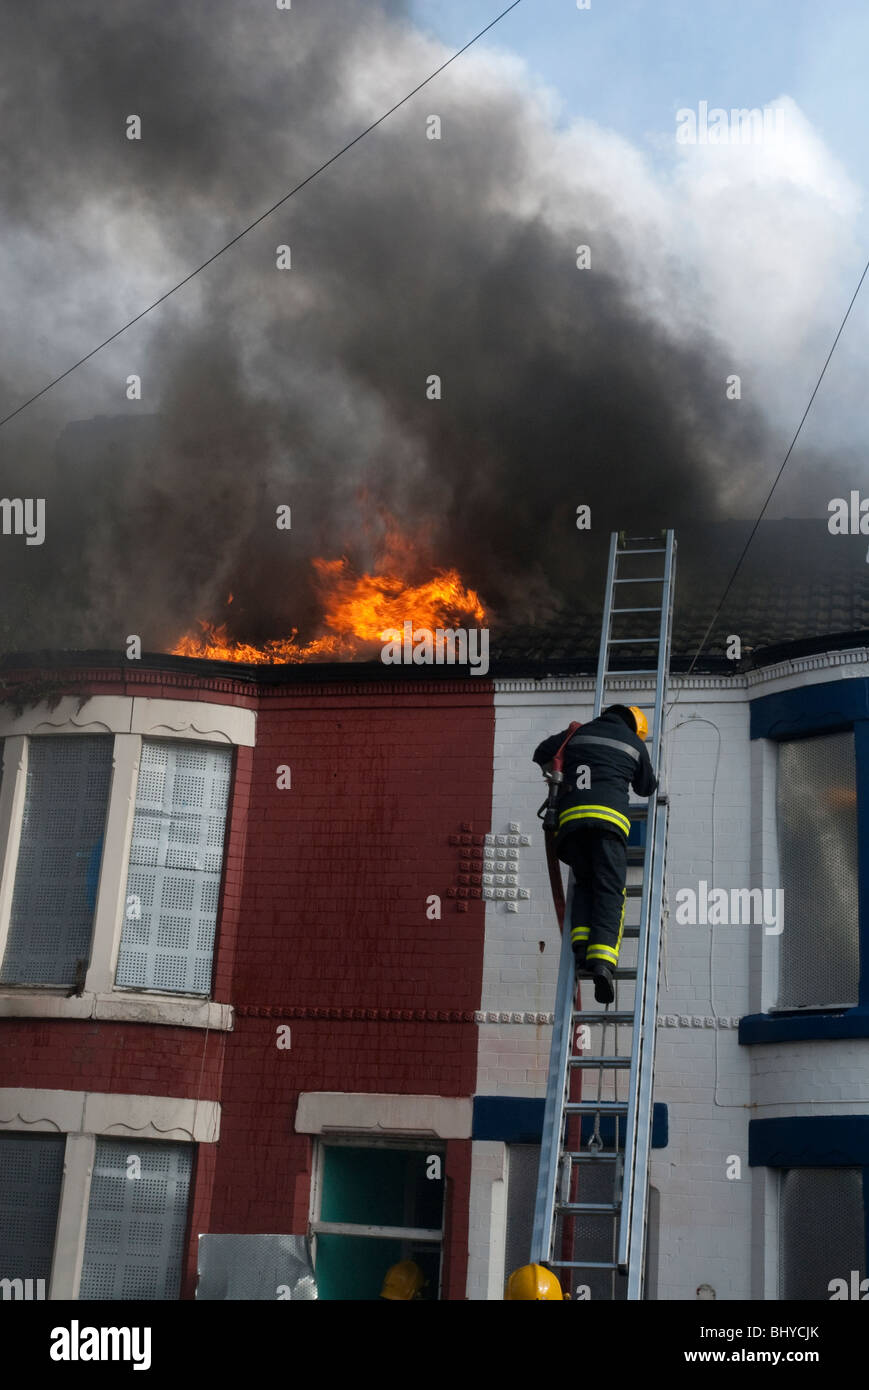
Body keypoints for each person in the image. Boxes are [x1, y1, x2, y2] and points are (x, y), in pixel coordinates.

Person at [532, 704, 657, 1004]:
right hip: (607, 827)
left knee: (585, 885)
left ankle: (580, 951)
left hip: (570, 828)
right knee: (611, 891)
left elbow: (541, 753)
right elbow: (647, 787)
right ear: (634, 727)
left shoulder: (577, 733)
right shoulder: (634, 743)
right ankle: (602, 962)